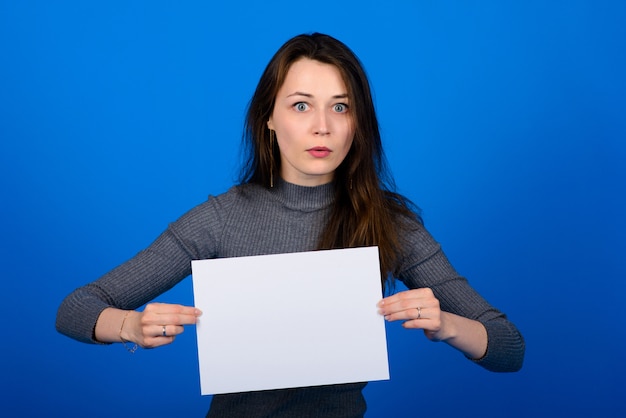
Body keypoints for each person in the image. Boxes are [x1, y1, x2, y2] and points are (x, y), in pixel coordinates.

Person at [56, 32, 525, 417]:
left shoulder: (391, 222)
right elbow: (76, 309)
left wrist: (445, 324)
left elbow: (508, 347)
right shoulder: (219, 219)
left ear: (357, 123)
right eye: (301, 105)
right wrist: (130, 327)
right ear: (269, 120)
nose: (322, 125)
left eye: (340, 107)